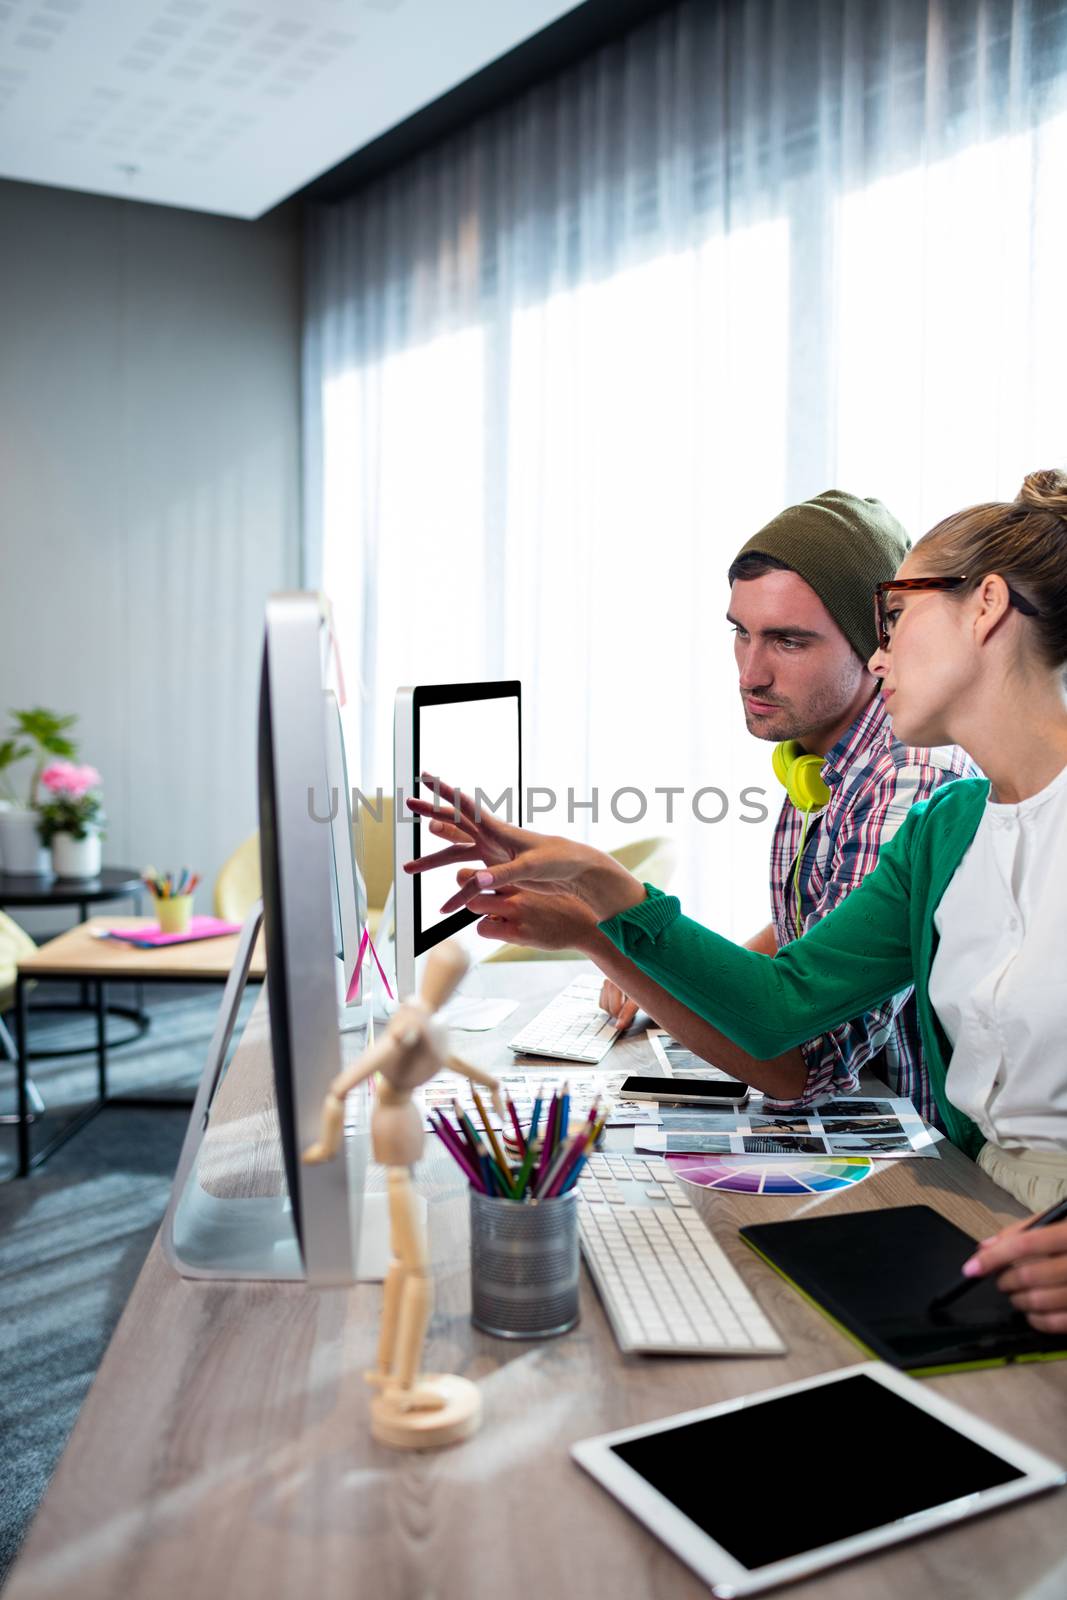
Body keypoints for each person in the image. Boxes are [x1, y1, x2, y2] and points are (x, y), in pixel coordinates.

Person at [406, 469, 1067, 1332]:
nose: (878, 654)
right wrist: (607, 894)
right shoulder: (945, 829)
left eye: (895, 619)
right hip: (982, 1222)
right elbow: (782, 1006)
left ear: (983, 608)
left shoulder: (917, 794)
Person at [426, 492, 973, 1122]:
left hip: (902, 1155)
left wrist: (602, 926)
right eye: (742, 634)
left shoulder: (907, 776)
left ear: (876, 643)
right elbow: (817, 932)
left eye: (789, 642)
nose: (750, 673)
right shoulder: (820, 753)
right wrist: (671, 980)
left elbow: (799, 1065)